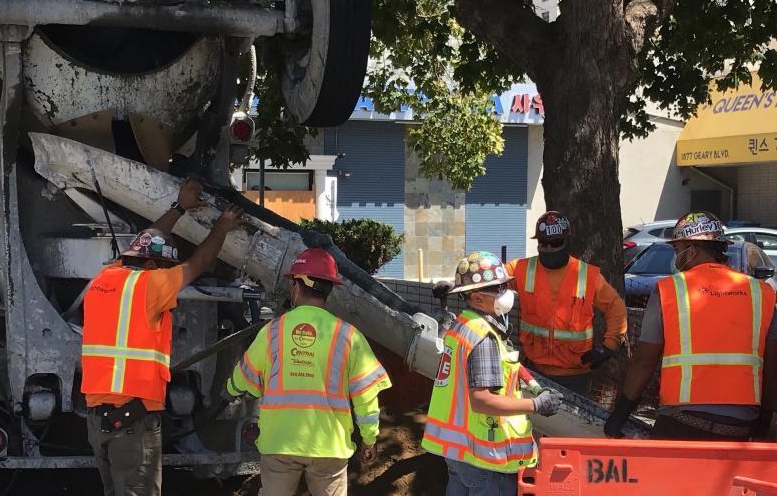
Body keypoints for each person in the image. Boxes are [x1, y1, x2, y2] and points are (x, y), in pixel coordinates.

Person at [81, 179, 245, 496]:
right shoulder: (150, 286)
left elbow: (144, 241)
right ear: (154, 265)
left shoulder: (105, 278)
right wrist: (222, 228)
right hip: (131, 421)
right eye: (162, 267)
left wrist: (179, 207)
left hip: (97, 419)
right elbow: (197, 263)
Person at [226, 248, 391, 496]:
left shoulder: (272, 331)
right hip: (329, 446)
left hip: (279, 442)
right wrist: (369, 438)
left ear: (297, 285)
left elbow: (243, 378)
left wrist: (229, 390)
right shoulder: (348, 336)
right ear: (329, 289)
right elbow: (366, 396)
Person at [605, 211, 777, 441]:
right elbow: (772, 365)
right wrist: (764, 421)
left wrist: (621, 412)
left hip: (681, 420)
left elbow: (644, 361)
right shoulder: (761, 293)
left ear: (692, 250)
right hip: (739, 423)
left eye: (678, 250)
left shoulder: (670, 290)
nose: (675, 258)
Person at [422, 251, 563, 496]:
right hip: (483, 456)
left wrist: (534, 384)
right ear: (477, 298)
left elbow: (509, 365)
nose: (505, 292)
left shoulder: (463, 326)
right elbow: (482, 400)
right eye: (498, 288)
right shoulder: (483, 337)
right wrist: (535, 404)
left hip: (458, 452)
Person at [506, 211, 626, 396]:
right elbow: (491, 276)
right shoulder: (521, 269)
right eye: (543, 243)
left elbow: (615, 307)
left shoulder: (586, 275)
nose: (548, 248)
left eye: (554, 243)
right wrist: (453, 284)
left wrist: (609, 346)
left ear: (566, 242)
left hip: (575, 375)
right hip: (535, 370)